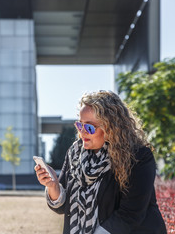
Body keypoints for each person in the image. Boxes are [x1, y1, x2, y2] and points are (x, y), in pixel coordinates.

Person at [34, 91, 167, 234]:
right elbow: (63, 207)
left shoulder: (138, 156)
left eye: (89, 127)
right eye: (80, 125)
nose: (82, 132)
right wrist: (53, 186)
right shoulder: (74, 153)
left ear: (111, 128)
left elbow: (130, 214)